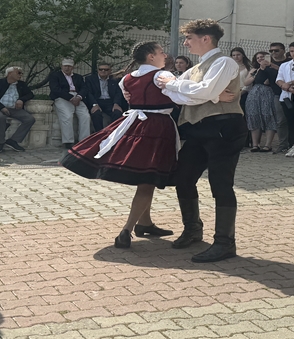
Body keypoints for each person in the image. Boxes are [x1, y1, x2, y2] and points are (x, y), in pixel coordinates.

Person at [61, 41, 220, 248]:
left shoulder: (127, 78)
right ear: (151, 57)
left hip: (133, 124)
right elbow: (181, 96)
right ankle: (126, 230)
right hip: (156, 128)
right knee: (148, 178)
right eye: (161, 52)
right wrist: (215, 95)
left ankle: (145, 223)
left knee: (145, 176)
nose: (165, 55)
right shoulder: (161, 75)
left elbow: (128, 96)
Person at [161, 19, 248, 263]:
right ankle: (193, 229)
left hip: (224, 129)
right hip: (198, 130)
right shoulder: (194, 69)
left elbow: (186, 91)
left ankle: (225, 243)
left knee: (221, 184)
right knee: (183, 177)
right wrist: (205, 94)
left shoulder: (224, 62)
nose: (186, 43)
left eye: (189, 38)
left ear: (205, 38)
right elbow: (174, 95)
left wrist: (192, 90)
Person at [0, 66, 35, 152]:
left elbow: (30, 94)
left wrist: (21, 100)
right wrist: (2, 107)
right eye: (18, 73)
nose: (21, 75)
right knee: (0, 117)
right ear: (10, 73)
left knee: (30, 119)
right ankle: (0, 142)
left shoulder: (21, 84)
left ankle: (13, 141)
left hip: (13, 108)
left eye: (21, 73)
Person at [48, 59, 91, 148]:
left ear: (73, 67)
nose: (67, 68)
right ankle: (68, 141)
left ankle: (84, 140)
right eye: (65, 66)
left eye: (69, 66)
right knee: (67, 116)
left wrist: (79, 97)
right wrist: (70, 98)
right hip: (63, 97)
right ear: (62, 66)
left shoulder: (78, 77)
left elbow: (84, 88)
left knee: (85, 116)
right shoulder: (55, 76)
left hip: (78, 97)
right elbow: (55, 89)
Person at [245, 52, 280, 153]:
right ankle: (255, 144)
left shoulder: (273, 68)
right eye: (258, 58)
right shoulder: (254, 70)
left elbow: (271, 81)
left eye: (262, 57)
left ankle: (268, 145)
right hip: (254, 94)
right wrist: (258, 71)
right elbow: (246, 82)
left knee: (268, 116)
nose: (260, 59)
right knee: (253, 116)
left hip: (268, 93)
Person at [83, 62, 126, 133]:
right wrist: (94, 104)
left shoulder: (115, 79)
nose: (103, 71)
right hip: (97, 101)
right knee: (96, 114)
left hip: (110, 102)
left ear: (110, 71)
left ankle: (113, 133)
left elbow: (118, 92)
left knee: (117, 113)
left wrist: (116, 103)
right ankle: (99, 134)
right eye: (101, 69)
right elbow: (88, 93)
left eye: (106, 70)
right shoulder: (90, 79)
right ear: (97, 70)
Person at [267, 42, 292, 153]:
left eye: (276, 50)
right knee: (281, 120)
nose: (273, 53)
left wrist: (274, 67)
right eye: (271, 51)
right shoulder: (268, 64)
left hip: (293, 93)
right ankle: (283, 144)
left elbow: (290, 74)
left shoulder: (288, 62)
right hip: (278, 94)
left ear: (283, 50)